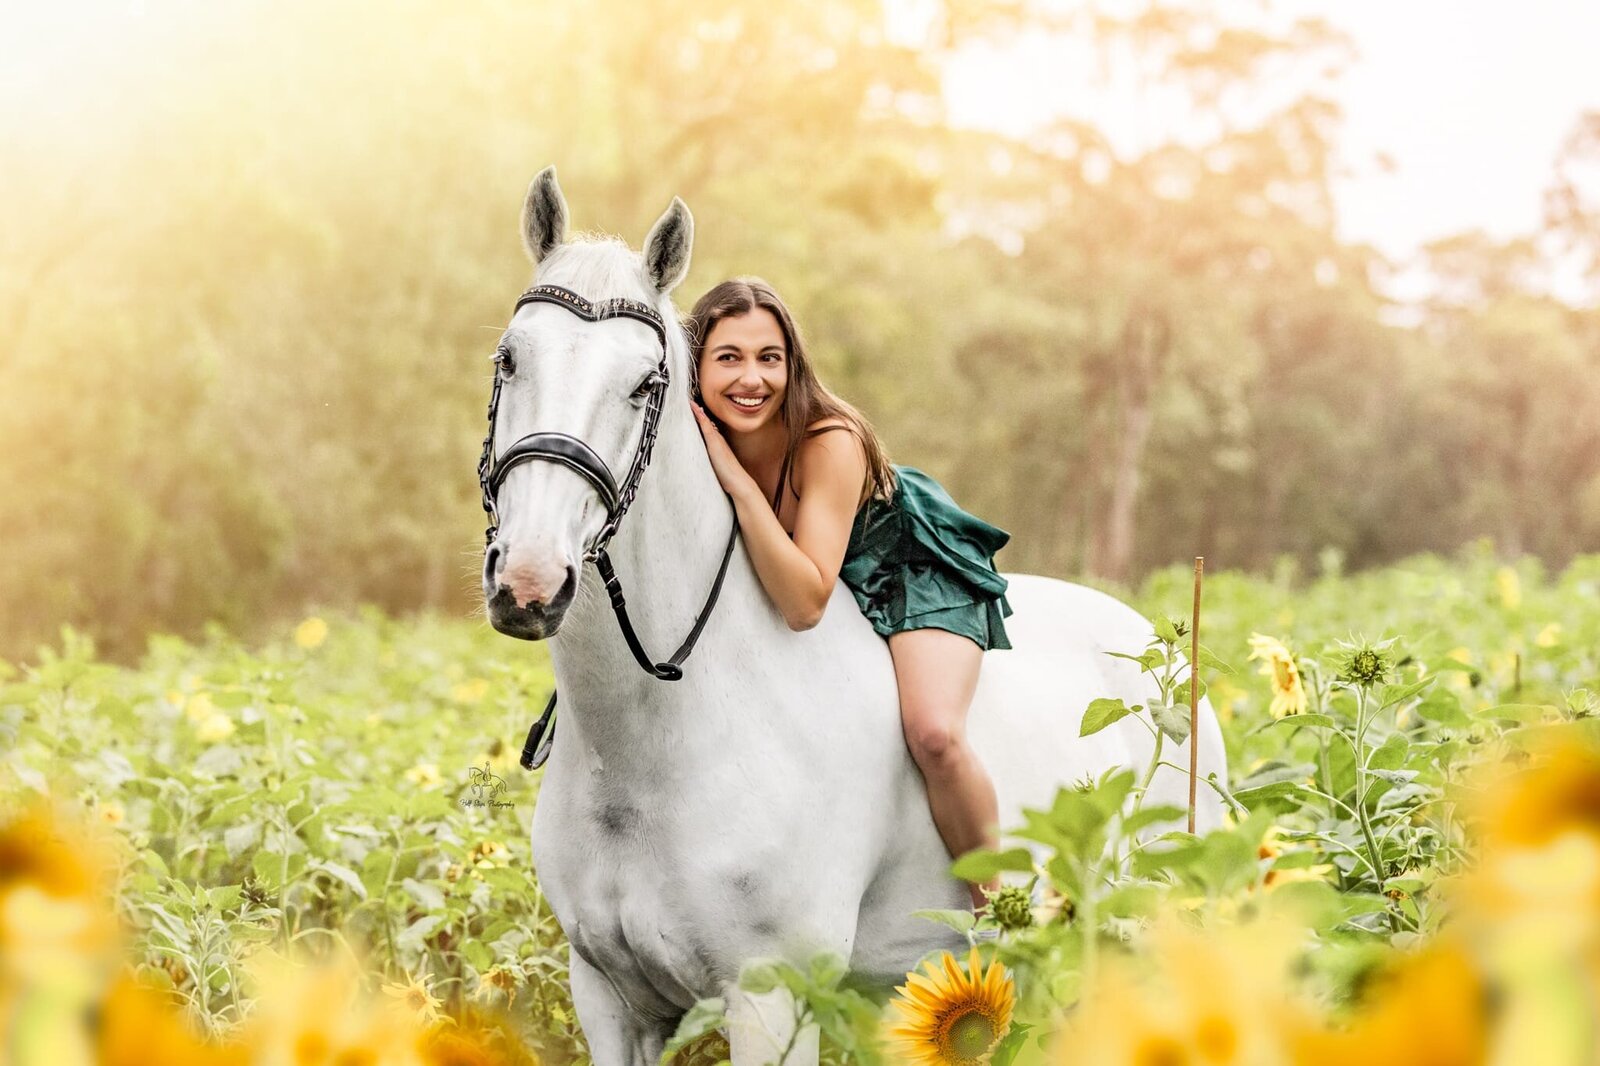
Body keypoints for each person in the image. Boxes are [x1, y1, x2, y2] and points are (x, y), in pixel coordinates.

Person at [687, 277, 1014, 912]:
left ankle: (1000, 912)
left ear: (793, 364)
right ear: (695, 364)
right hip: (815, 573)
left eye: (769, 358)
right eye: (728, 357)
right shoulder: (684, 436)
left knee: (934, 734)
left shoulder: (827, 438)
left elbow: (806, 602)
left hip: (906, 567)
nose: (750, 379)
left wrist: (738, 485)